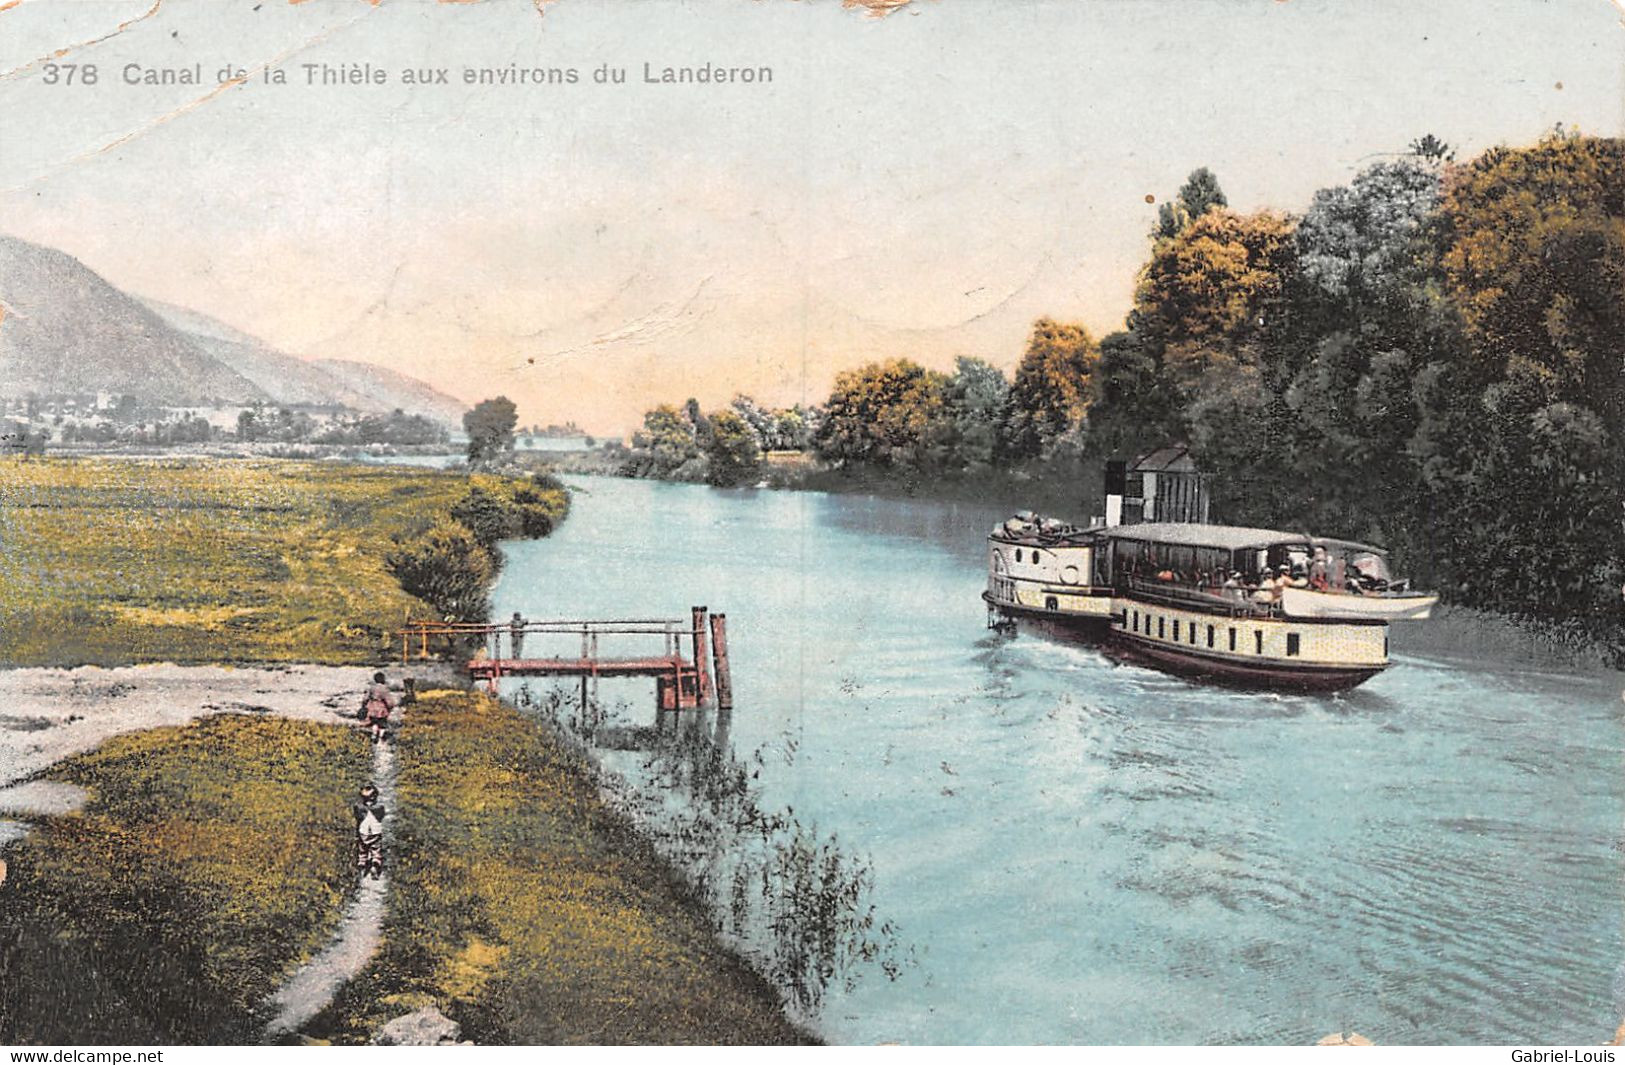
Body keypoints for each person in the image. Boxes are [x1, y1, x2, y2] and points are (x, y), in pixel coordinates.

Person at [352, 783, 386, 880]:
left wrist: (356, 834)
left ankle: (362, 866)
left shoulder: (358, 807)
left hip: (363, 831)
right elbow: (381, 816)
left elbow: (358, 819)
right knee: (376, 850)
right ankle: (375, 865)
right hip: (375, 831)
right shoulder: (379, 807)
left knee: (362, 850)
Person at [360, 671, 397, 744]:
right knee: (382, 723)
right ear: (383, 679)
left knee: (374, 722)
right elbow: (389, 700)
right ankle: (381, 736)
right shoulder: (384, 689)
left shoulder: (371, 688)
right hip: (381, 709)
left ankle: (374, 735)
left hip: (372, 708)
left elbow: (365, 698)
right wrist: (391, 706)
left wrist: (364, 705)